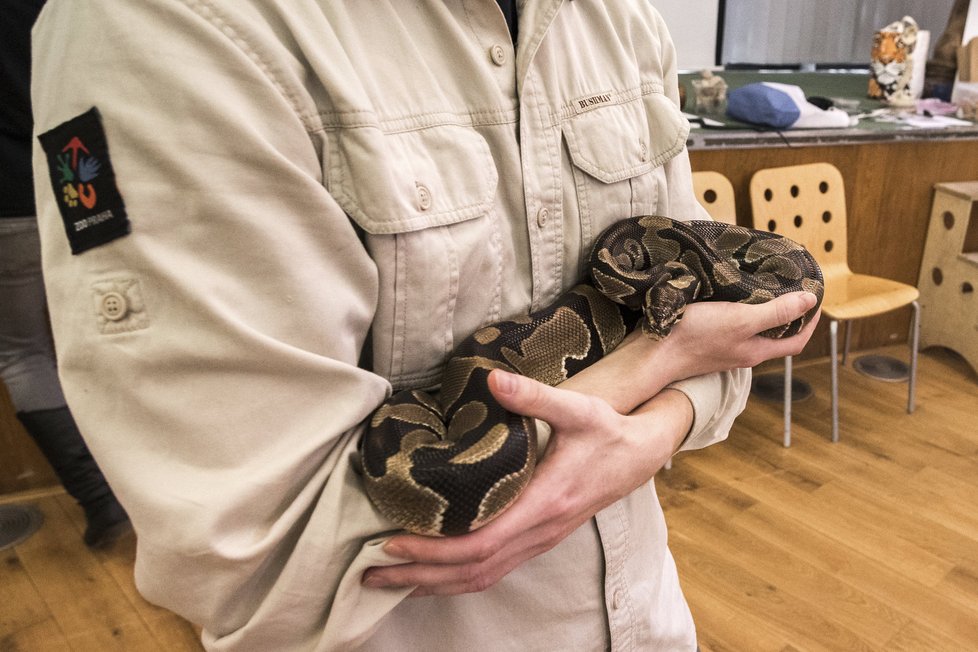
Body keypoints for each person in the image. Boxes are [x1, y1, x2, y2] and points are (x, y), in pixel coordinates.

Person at [30, 1, 819, 649]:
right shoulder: (160, 25)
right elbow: (252, 550)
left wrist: (666, 421)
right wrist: (658, 365)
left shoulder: (617, 14)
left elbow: (727, 324)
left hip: (646, 619)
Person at [1, 0, 130, 550]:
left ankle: (103, 504)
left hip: (9, 201)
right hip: (84, 176)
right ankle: (156, 485)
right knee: (126, 322)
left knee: (22, 353)